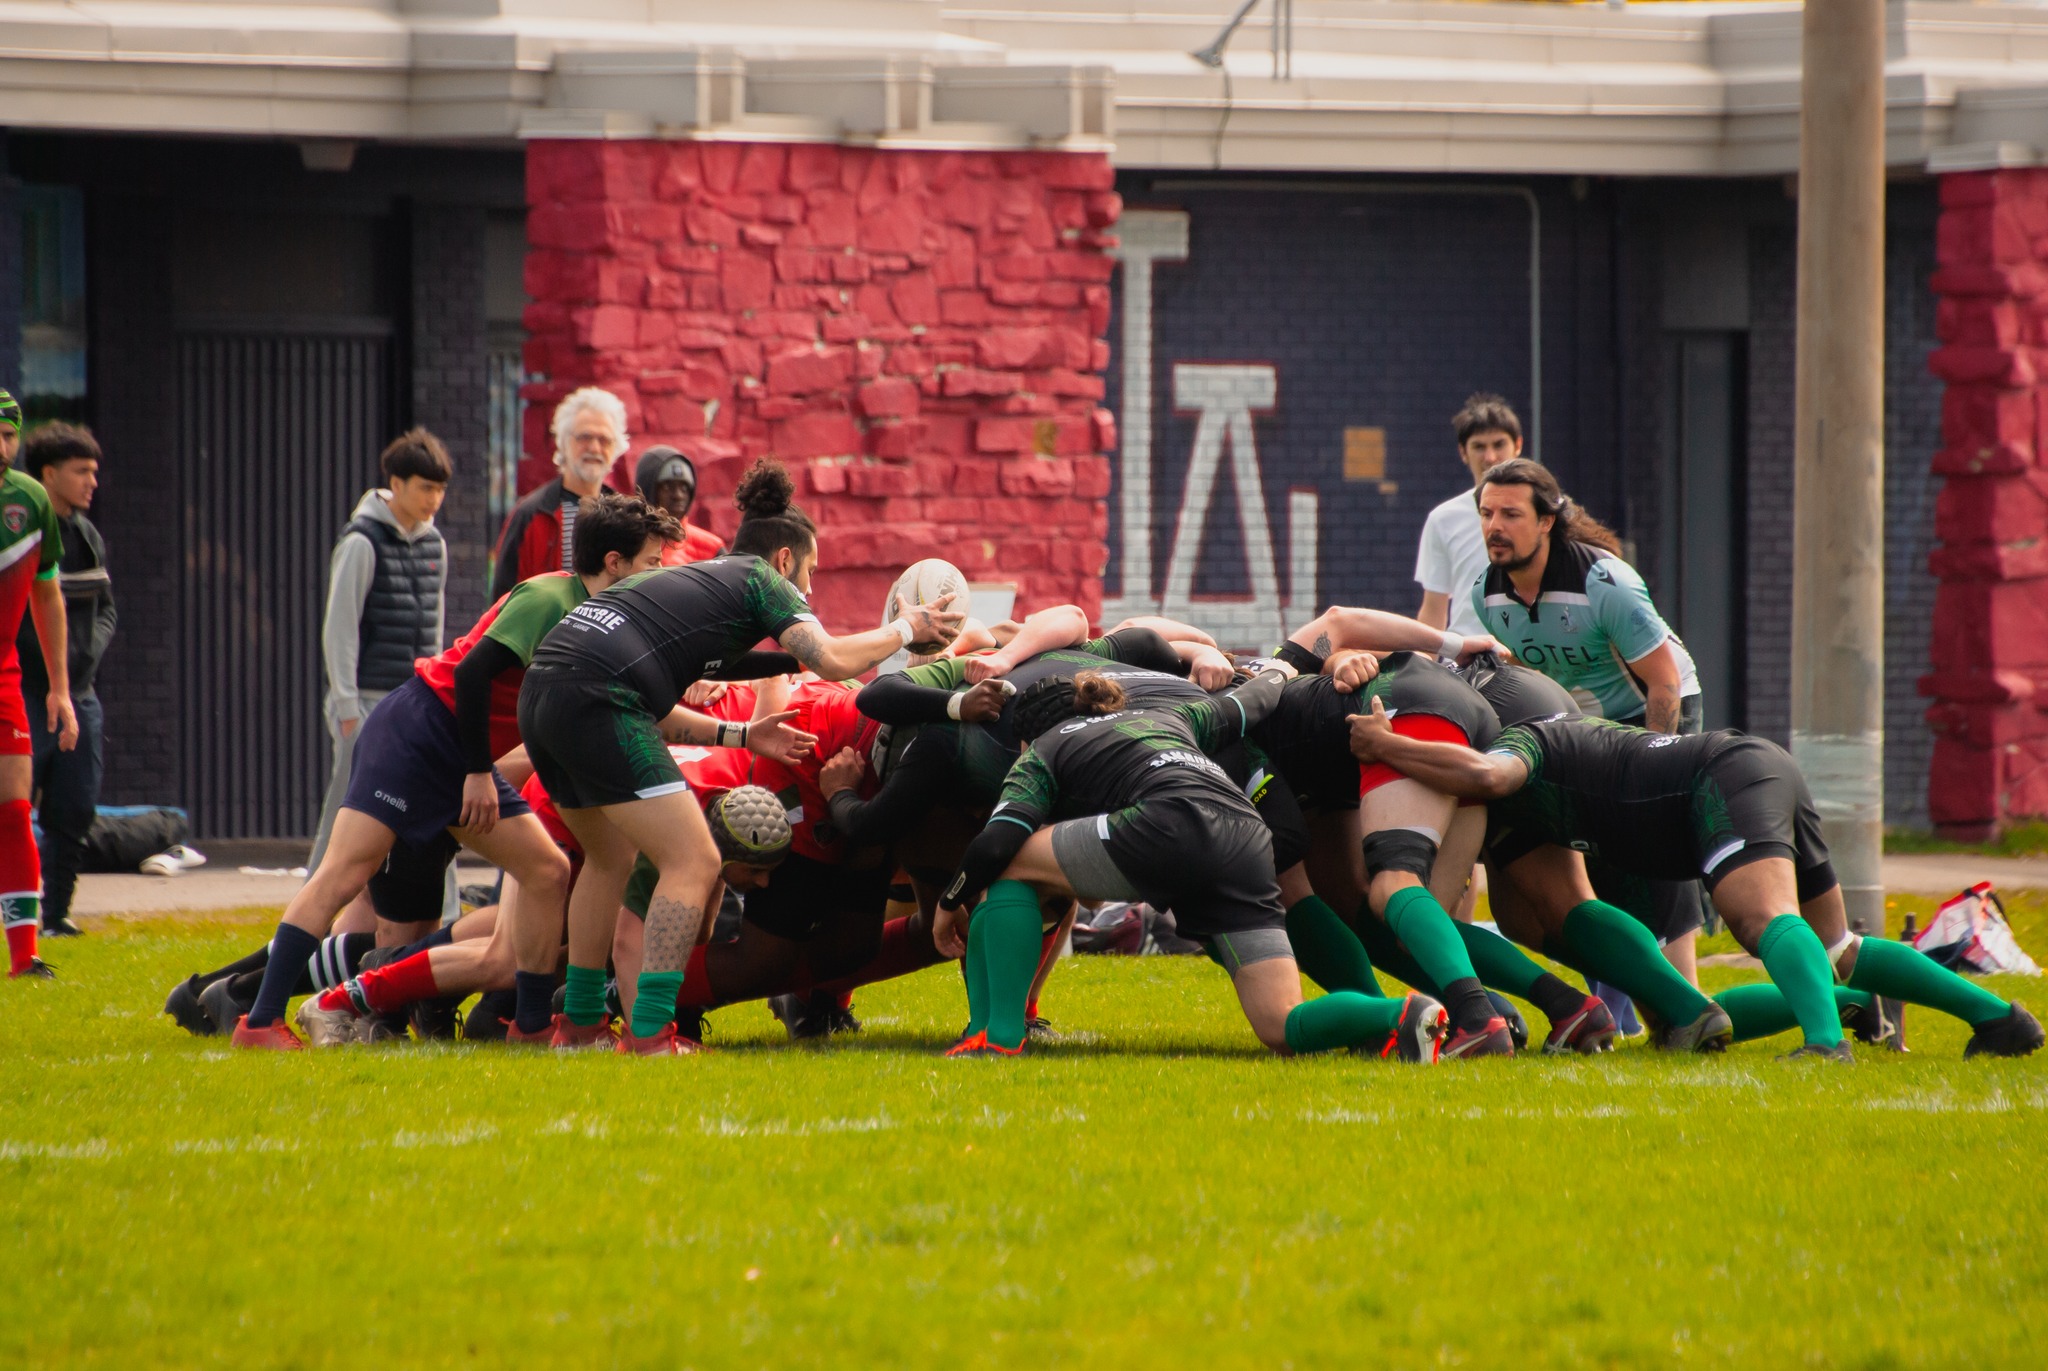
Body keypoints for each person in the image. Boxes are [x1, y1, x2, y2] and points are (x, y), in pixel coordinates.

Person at [517, 459, 966, 1056]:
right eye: (806, 574)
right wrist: (907, 629)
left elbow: (651, 699)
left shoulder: (695, 587)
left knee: (607, 859)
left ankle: (578, 1027)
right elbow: (831, 659)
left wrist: (742, 734)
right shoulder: (762, 578)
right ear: (785, 560)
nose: (806, 592)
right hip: (597, 693)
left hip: (546, 688)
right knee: (696, 859)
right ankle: (650, 1033)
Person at [229, 493, 677, 1049]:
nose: (659, 575)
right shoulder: (547, 596)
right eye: (652, 563)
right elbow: (469, 677)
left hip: (456, 751)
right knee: (345, 873)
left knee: (547, 872)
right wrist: (477, 772)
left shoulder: (599, 617)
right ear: (615, 563)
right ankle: (260, 1021)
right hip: (417, 733)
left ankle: (532, 1026)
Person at [1349, 704, 2045, 1061]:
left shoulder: (1524, 739)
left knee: (1755, 914)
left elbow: (1488, 775)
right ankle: (1999, 1020)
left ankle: (1827, 1042)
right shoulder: (1535, 798)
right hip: (1753, 767)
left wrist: (1387, 745)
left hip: (1720, 780)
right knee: (1836, 948)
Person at [936, 664, 1447, 1063]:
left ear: (1026, 735)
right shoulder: (1170, 716)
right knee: (1282, 1026)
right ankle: (1400, 1013)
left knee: (1005, 865)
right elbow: (1252, 702)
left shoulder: (1042, 750)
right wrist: (1281, 669)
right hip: (1249, 837)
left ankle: (996, 1035)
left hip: (1167, 823)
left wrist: (949, 901)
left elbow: (996, 842)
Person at [1471, 456, 1708, 1021]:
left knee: (1650, 859)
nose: (1494, 527)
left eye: (1510, 513)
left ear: (1547, 520)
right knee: (1589, 867)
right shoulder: (1487, 594)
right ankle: (1622, 1003)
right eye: (1485, 513)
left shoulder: (1607, 584)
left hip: (1657, 712)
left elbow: (1665, 684)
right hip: (1580, 726)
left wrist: (1653, 767)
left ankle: (1689, 1000)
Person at [311, 428, 450, 876]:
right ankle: (314, 907)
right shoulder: (361, 541)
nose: (434, 499)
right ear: (397, 482)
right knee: (348, 810)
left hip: (413, 697)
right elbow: (340, 628)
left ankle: (437, 914)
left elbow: (434, 624)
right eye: (426, 487)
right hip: (366, 698)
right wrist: (348, 705)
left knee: (427, 802)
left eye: (441, 489)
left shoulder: (435, 544)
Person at [17, 423, 114, 940]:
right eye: (81, 472)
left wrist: (86, 654)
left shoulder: (87, 535)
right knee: (14, 805)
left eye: (94, 472)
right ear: (48, 475)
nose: (91, 482)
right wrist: (49, 660)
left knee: (74, 808)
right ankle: (21, 916)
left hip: (80, 693)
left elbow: (107, 608)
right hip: (26, 690)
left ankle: (56, 915)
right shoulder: (18, 530)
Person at [0, 391, 78, 980]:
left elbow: (48, 594)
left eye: (9, 435)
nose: (3, 447)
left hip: (5, 673)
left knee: (15, 807)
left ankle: (25, 957)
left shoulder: (29, 501)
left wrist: (60, 688)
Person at [490, 387, 628, 601]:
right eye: (584, 437)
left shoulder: (625, 518)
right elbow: (503, 601)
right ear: (562, 442)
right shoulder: (531, 515)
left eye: (604, 440)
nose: (594, 447)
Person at [1415, 393, 1523, 637]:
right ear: (1463, 452)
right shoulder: (1443, 519)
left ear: (1518, 445)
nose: (1490, 457)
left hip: (1532, 658)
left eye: (1499, 444)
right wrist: (1420, 670)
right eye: (1479, 447)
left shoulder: (1550, 509)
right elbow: (1434, 609)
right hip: (1466, 660)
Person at [634, 446, 724, 565]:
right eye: (667, 487)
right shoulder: (624, 543)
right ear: (648, 489)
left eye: (684, 487)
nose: (678, 495)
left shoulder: (713, 550)